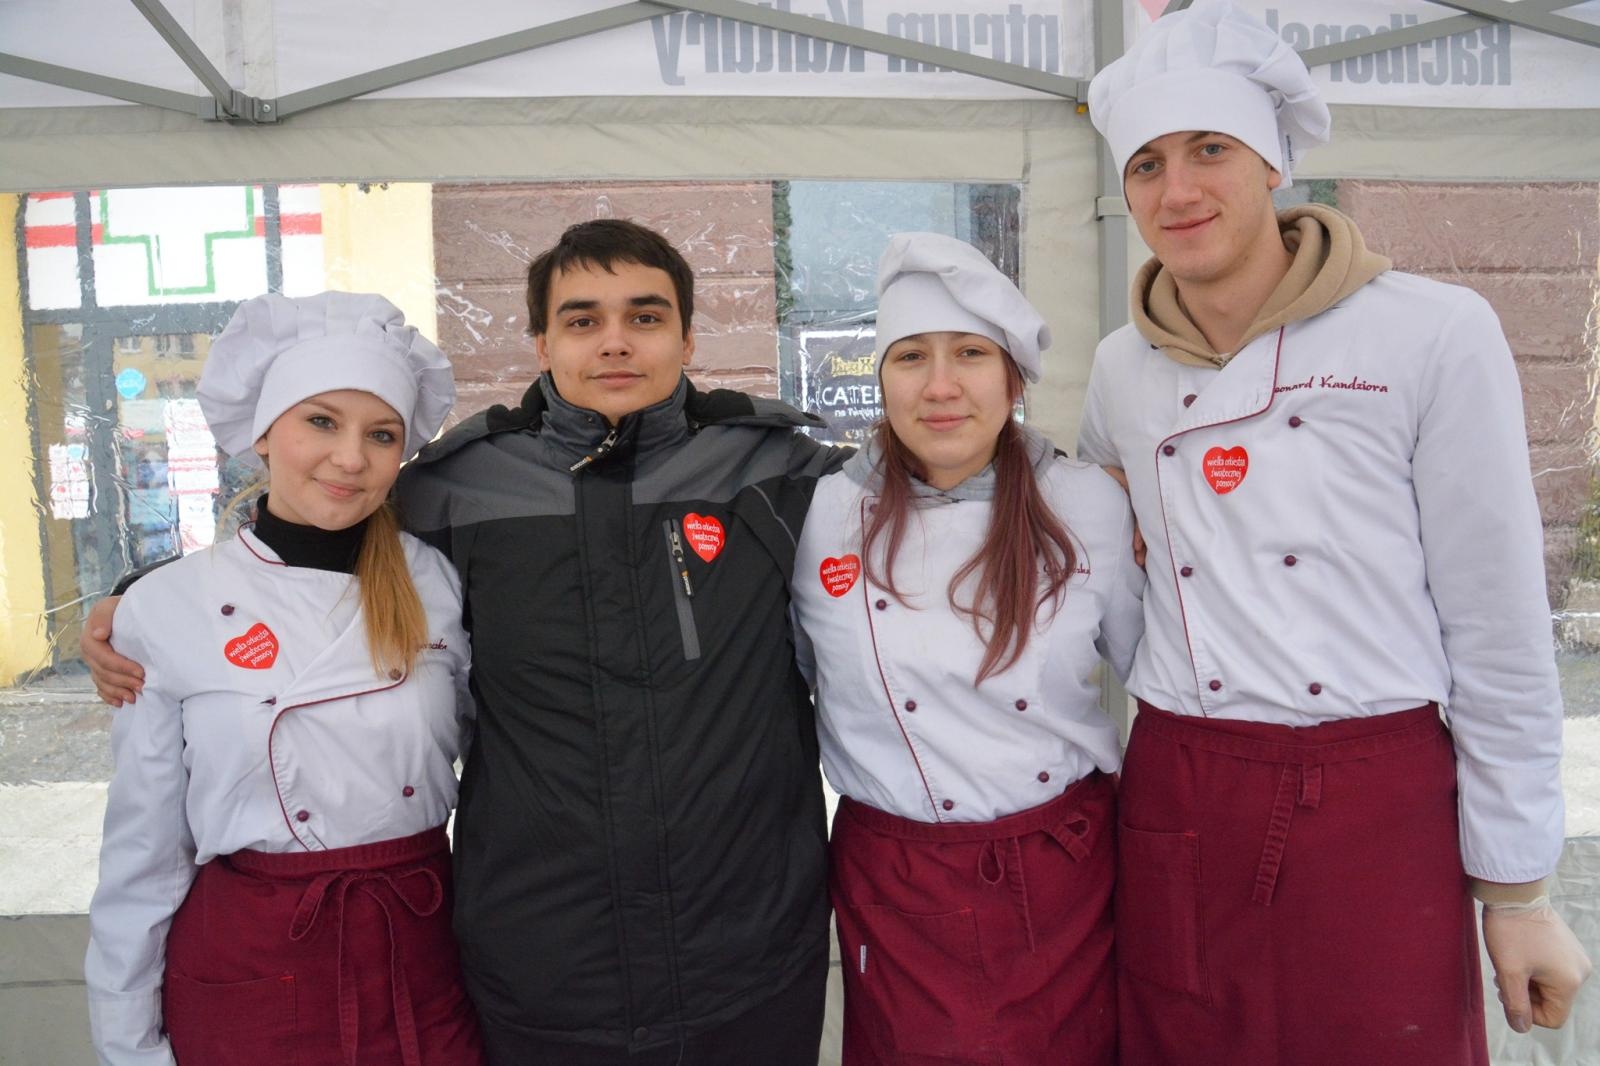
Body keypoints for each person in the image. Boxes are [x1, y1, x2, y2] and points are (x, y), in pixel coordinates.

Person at [86, 219, 849, 1065]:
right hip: (546, 962)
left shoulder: (780, 472)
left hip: (748, 953)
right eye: (582, 319)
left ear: (688, 336)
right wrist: (142, 600)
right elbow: (317, 536)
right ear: (541, 342)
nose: (615, 342)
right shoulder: (458, 488)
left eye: (645, 316)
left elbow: (919, 508)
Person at [1077, 3, 1592, 1063]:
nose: (1177, 191)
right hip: (1181, 782)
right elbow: (1107, 566)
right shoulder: (1119, 368)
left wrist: (1518, 890)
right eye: (1146, 165)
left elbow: (1496, 624)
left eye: (1209, 150)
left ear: (1273, 162)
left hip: (1374, 795)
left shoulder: (1431, 332)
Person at [84, 292, 483, 1065]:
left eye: (381, 435)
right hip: (249, 967)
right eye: (321, 422)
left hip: (420, 952)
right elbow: (145, 853)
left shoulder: (438, 581)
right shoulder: (166, 606)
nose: (350, 458)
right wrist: (129, 1046)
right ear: (264, 432)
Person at [791, 232, 1143, 1063]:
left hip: (1063, 870)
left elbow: (1154, 672)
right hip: (894, 878)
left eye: (971, 355)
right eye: (911, 356)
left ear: (1013, 379)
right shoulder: (818, 513)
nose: (941, 386)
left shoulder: (1089, 504)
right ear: (882, 380)